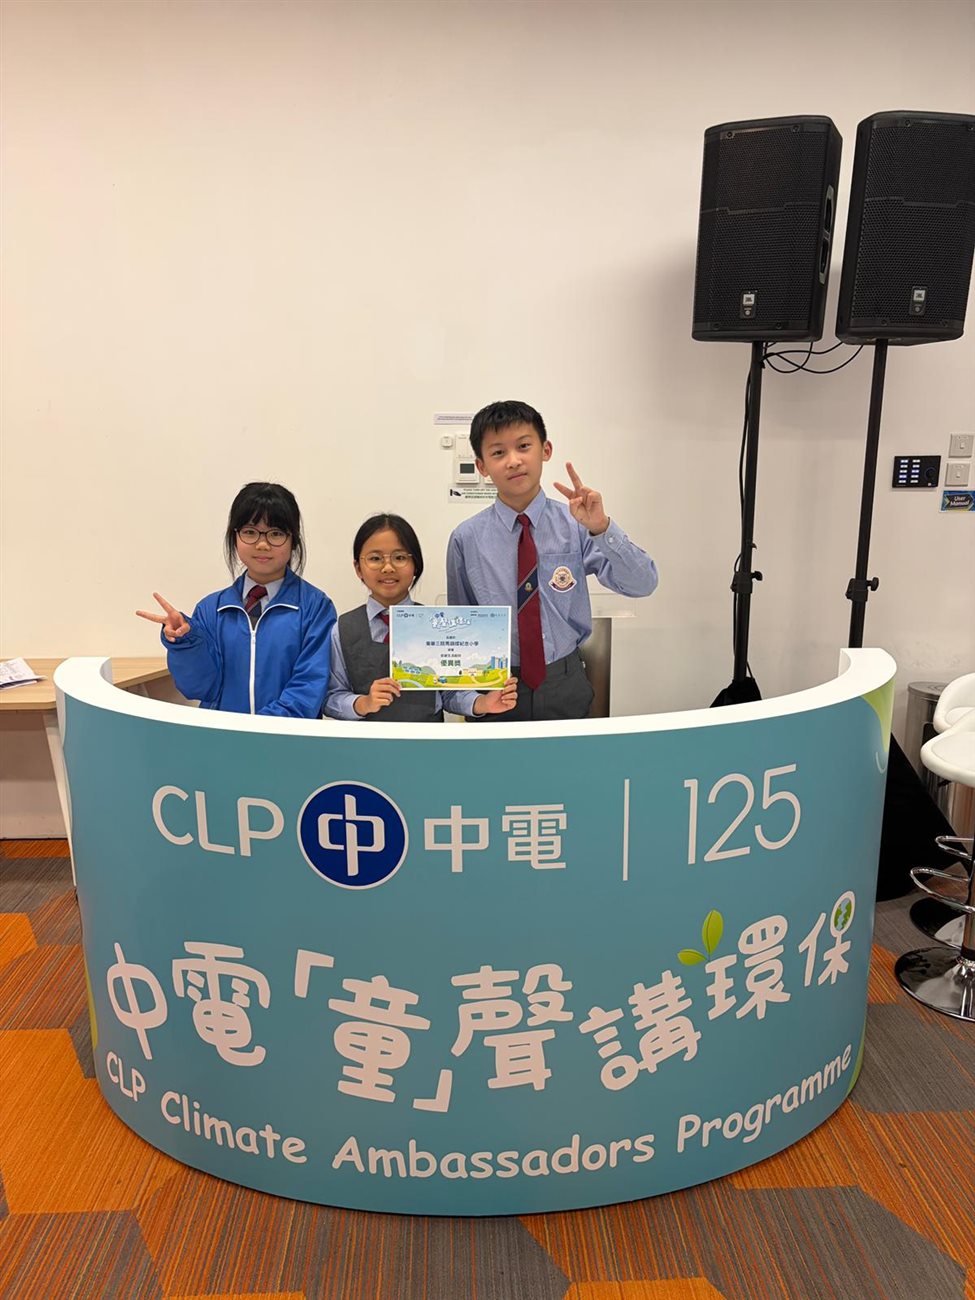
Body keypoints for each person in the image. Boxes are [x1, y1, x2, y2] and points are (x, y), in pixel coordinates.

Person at [447, 400, 658, 721]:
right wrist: (468, 701)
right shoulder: (466, 538)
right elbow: (460, 627)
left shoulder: (577, 524)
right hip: (497, 686)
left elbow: (643, 584)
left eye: (523, 446)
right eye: (498, 452)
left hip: (565, 680)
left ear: (545, 450)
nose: (514, 460)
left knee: (570, 755)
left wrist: (603, 529)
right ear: (482, 466)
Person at [137, 482, 336, 718]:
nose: (262, 544)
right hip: (223, 737)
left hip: (287, 737)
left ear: (293, 540)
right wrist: (184, 642)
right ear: (235, 537)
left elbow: (309, 687)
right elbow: (198, 688)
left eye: (276, 533)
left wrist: (257, 729)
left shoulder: (316, 607)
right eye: (250, 532)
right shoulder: (211, 609)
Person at [325, 512, 517, 722]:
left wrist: (483, 703)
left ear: (415, 565)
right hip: (366, 741)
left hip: (429, 739)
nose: (387, 568)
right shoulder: (342, 630)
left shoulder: (438, 625)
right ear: (358, 568)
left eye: (399, 558)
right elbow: (331, 697)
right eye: (375, 558)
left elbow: (450, 693)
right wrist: (363, 703)